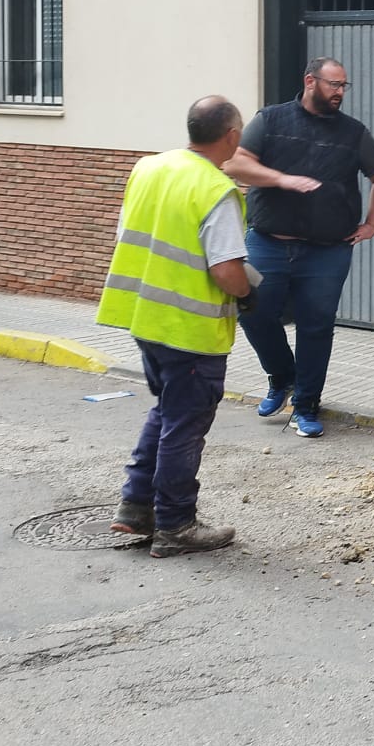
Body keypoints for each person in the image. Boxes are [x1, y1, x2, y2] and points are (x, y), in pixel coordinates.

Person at [95, 96, 254, 558]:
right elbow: (226, 271)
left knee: (167, 412)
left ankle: (136, 507)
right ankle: (176, 524)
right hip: (191, 329)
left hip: (144, 317)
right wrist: (248, 293)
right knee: (184, 426)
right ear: (230, 137)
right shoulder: (215, 189)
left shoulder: (149, 168)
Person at [223, 56, 374, 437]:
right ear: (310, 82)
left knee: (316, 328)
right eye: (334, 85)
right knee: (253, 313)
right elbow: (236, 165)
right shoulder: (271, 120)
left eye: (344, 86)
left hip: (327, 251)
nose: (339, 93)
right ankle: (282, 377)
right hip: (268, 243)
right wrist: (281, 179)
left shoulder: (353, 132)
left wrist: (373, 223)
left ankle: (306, 405)